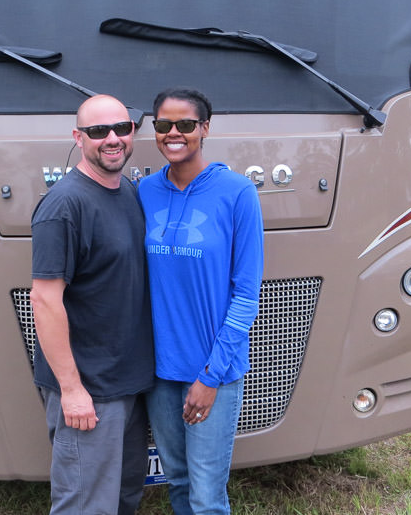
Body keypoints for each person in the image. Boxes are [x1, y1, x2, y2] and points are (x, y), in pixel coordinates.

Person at [138, 88, 264, 514]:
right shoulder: (144, 192)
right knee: (177, 479)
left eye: (185, 125)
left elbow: (246, 296)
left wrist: (210, 378)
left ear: (204, 129)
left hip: (215, 371)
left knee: (207, 495)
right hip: (159, 373)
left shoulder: (237, 193)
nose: (174, 133)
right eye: (163, 125)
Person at [29, 94, 154, 515]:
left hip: (126, 384)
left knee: (122, 498)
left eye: (121, 128)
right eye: (99, 132)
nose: (112, 139)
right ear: (78, 138)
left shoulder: (128, 193)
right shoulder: (64, 205)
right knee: (84, 505)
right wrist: (71, 390)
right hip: (89, 391)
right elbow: (44, 301)